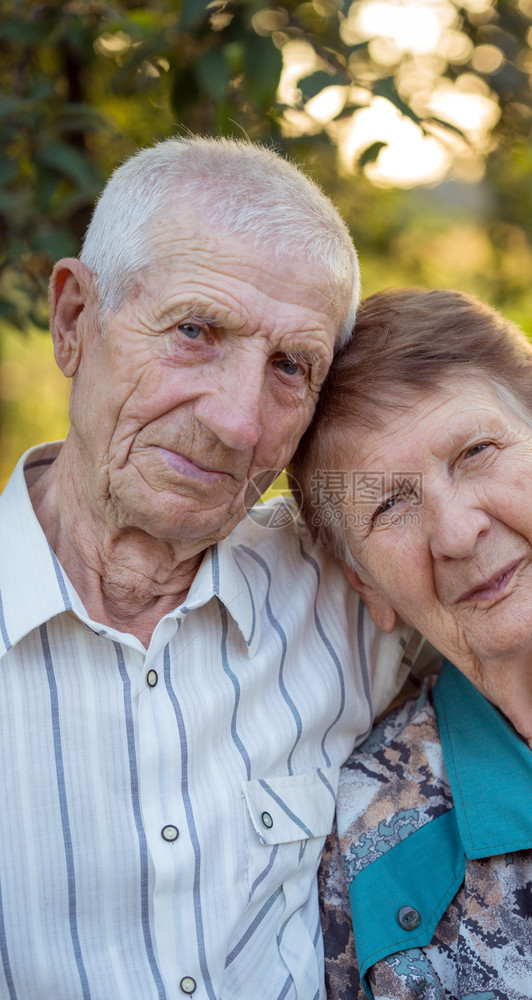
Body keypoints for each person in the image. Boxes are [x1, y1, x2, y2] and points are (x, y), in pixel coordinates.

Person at [0, 138, 422, 1000]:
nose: (236, 423)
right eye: (195, 331)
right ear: (75, 320)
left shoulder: (352, 598)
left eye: (289, 369)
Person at [291, 287, 532, 999]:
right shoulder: (362, 836)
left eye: (475, 451)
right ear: (364, 583)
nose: (457, 534)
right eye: (388, 504)